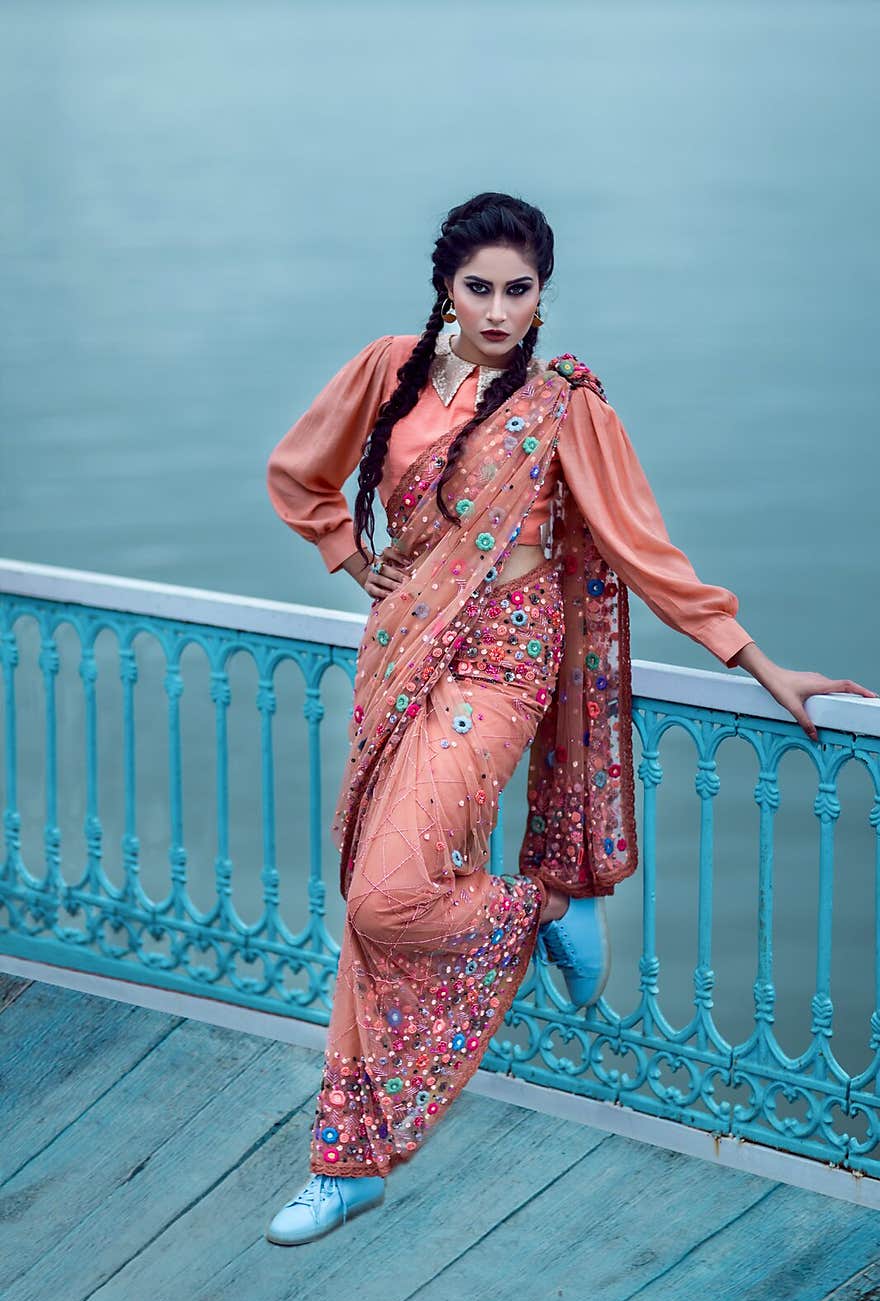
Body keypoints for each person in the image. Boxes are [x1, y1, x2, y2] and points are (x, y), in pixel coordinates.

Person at [262, 192, 876, 1246]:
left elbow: (643, 547)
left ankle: (545, 905)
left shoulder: (564, 406)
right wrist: (356, 563)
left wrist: (758, 660)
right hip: (400, 651)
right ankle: (348, 1160)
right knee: (366, 898)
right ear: (444, 290)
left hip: (501, 671)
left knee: (386, 899)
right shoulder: (385, 367)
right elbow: (299, 473)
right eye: (479, 289)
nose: (500, 310)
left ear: (542, 291)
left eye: (520, 290)